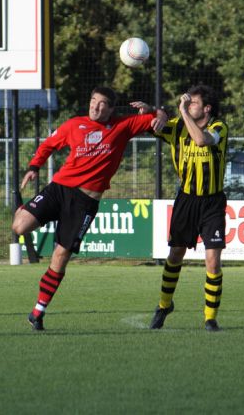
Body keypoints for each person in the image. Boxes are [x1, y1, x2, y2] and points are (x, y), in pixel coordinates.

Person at [12, 86, 167, 331]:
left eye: (102, 103)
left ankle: (38, 312)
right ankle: (27, 209)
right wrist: (34, 167)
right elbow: (49, 145)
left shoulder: (123, 126)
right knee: (19, 227)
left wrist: (154, 111)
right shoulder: (74, 124)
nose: (96, 106)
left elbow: (160, 117)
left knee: (60, 256)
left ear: (111, 108)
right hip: (59, 188)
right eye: (93, 100)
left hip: (84, 202)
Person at [146, 85, 228, 332]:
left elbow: (201, 140)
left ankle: (210, 318)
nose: (188, 105)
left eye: (193, 103)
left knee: (212, 261)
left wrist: (181, 110)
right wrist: (151, 111)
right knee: (175, 255)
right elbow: (152, 124)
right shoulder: (177, 127)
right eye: (187, 103)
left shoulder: (219, 128)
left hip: (212, 202)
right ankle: (164, 305)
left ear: (207, 108)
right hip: (187, 200)